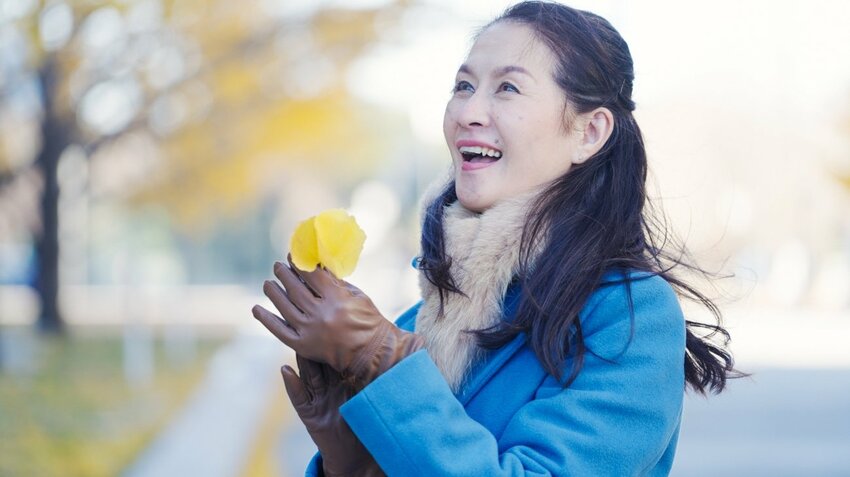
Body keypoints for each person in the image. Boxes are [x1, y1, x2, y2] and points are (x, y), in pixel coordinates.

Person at [252, 2, 741, 475]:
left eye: (507, 88)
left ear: (589, 132)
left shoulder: (630, 315)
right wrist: (357, 466)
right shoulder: (421, 318)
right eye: (463, 85)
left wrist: (386, 367)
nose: (468, 111)